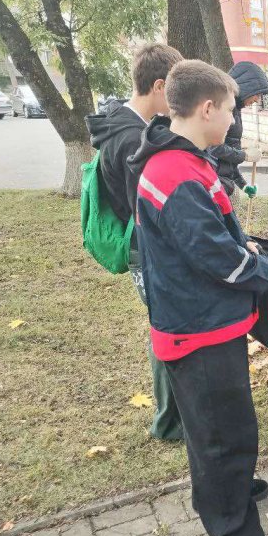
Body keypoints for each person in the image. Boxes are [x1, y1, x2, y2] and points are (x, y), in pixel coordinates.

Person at [127, 60, 268, 536]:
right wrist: (260, 268)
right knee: (223, 431)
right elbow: (214, 256)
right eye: (232, 109)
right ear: (207, 108)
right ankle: (234, 531)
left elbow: (218, 228)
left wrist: (248, 243)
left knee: (214, 426)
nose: (234, 120)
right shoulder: (174, 173)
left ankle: (227, 490)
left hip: (206, 319)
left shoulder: (187, 160)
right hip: (198, 327)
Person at [86, 43, 185, 441]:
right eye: (174, 92)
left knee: (163, 327)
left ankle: (170, 417)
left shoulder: (123, 124)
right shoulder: (131, 139)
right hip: (145, 250)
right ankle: (169, 422)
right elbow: (147, 211)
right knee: (166, 328)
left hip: (143, 246)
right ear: (159, 86)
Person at [210, 61, 268, 198]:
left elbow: (227, 157)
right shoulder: (221, 109)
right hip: (213, 186)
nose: (257, 99)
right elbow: (214, 148)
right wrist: (245, 155)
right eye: (258, 93)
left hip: (222, 186)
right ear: (247, 87)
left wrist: (243, 185)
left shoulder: (235, 110)